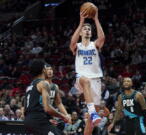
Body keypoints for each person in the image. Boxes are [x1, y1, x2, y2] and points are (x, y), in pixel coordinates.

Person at [70, 4, 105, 135]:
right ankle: (93, 112)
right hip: (82, 79)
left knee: (90, 122)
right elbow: (71, 42)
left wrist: (95, 19)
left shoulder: (95, 45)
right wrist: (81, 22)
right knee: (85, 80)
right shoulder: (77, 46)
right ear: (80, 33)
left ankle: (92, 115)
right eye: (84, 29)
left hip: (96, 80)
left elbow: (102, 38)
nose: (87, 31)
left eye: (89, 29)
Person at [24, 59, 69, 135]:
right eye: (46, 68)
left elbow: (31, 107)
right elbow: (47, 108)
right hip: (37, 120)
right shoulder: (44, 83)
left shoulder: (30, 85)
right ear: (43, 70)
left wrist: (47, 119)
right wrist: (63, 116)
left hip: (29, 119)